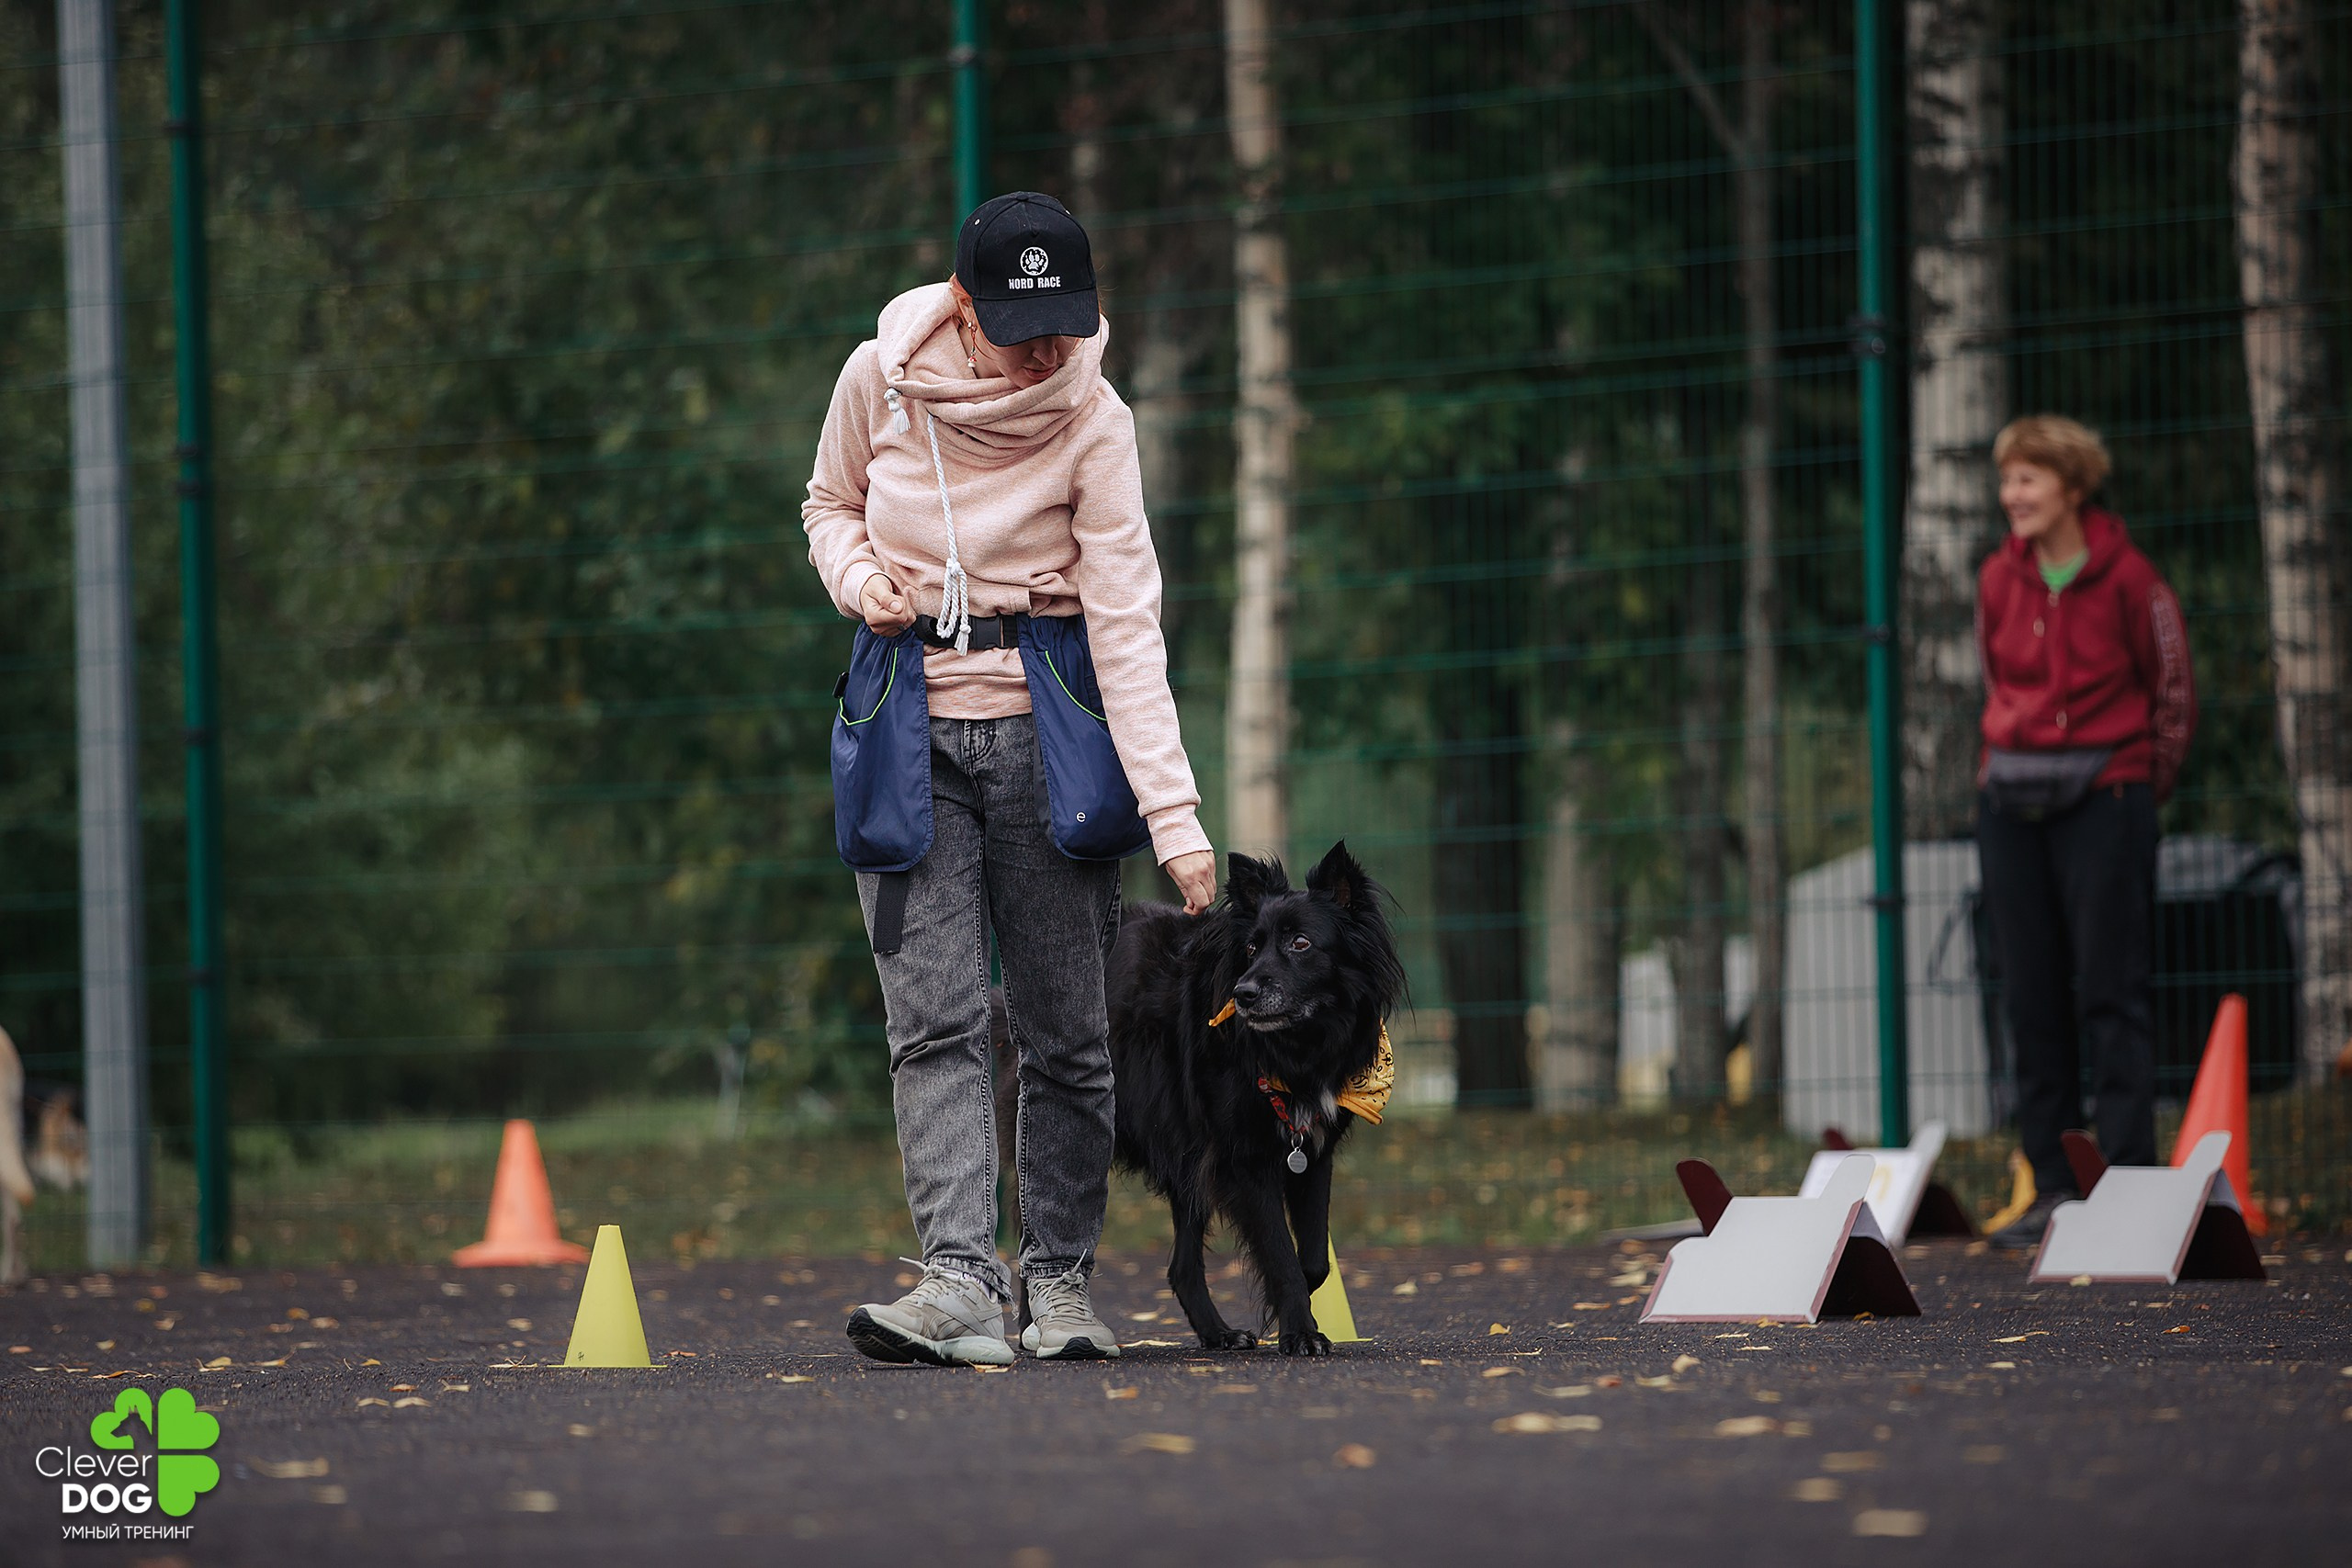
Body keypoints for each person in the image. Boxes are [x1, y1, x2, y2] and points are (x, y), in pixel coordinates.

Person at [803, 193, 1218, 1363]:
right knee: (932, 1023)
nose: (1045, 350)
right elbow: (829, 504)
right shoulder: (878, 380)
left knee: (1068, 1033)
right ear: (962, 303)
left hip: (1051, 735)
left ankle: (1061, 1285)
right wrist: (858, 580)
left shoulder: (1096, 418)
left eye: (1063, 324)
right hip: (906, 727)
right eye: (1020, 326)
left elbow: (1126, 623)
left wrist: (1176, 820)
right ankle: (956, 1284)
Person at [1973, 415, 2196, 1248]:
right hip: (2012, 801)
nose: (2013, 495)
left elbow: (2171, 688)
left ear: (2072, 485)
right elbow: (1994, 676)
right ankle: (2054, 1187)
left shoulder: (2132, 578)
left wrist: (2137, 780)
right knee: (2030, 995)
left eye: (2028, 478)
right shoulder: (1997, 578)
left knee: (2112, 989)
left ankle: (2130, 1187)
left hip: (2107, 793)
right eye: (2007, 480)